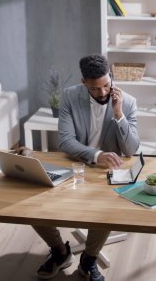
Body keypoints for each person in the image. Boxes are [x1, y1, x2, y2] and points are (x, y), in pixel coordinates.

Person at [31, 54, 140, 280]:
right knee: (33, 204)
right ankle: (60, 251)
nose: (102, 93)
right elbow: (65, 141)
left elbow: (130, 150)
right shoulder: (71, 96)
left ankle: (89, 259)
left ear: (111, 77)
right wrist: (97, 154)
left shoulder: (128, 102)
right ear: (84, 83)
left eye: (106, 85)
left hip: (107, 171)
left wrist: (119, 115)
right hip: (76, 163)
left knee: (106, 211)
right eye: (95, 88)